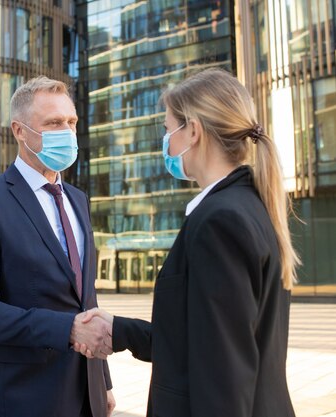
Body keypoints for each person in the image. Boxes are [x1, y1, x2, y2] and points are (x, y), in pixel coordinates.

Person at [77, 68, 300, 417]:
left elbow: (224, 374)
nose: (166, 142)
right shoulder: (248, 206)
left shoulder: (219, 222)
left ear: (193, 131)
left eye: (168, 130)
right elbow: (202, 338)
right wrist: (122, 331)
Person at [0, 76, 115, 417]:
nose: (67, 132)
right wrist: (66, 329)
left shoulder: (78, 199)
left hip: (86, 393)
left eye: (71, 122)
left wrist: (103, 381)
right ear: (19, 131)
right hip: (23, 397)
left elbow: (85, 298)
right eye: (53, 123)